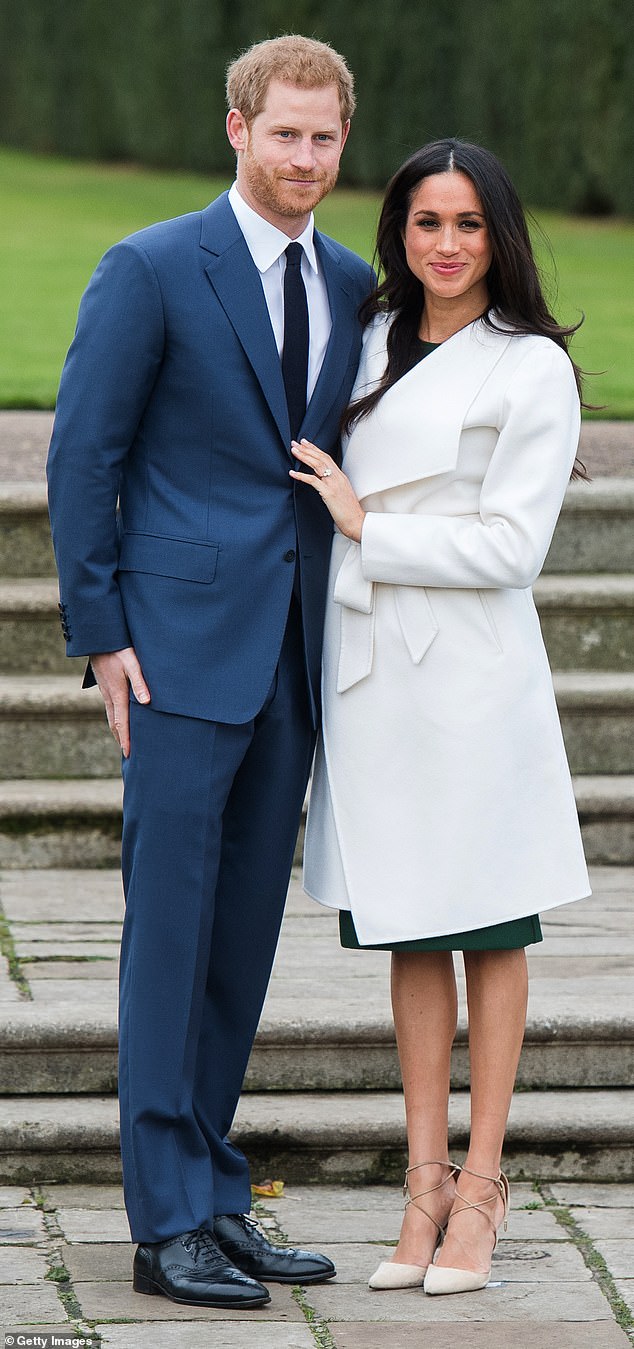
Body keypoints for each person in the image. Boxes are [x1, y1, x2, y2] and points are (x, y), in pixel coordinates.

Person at [47, 34, 373, 1310]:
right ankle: (163, 1218)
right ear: (236, 129)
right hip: (174, 656)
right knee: (167, 935)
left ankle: (215, 1194)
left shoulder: (350, 279)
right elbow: (86, 453)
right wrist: (100, 632)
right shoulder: (151, 266)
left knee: (239, 940)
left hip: (293, 653)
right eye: (284, 132)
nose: (305, 157)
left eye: (325, 138)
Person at [291, 138, 591, 1297]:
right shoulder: (364, 336)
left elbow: (513, 549)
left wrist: (372, 527)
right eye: (425, 222)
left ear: (498, 234)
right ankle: (419, 1185)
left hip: (470, 677)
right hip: (371, 672)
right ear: (398, 234)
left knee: (490, 923)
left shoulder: (528, 368)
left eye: (467, 223)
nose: (447, 245)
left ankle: (482, 1186)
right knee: (407, 924)